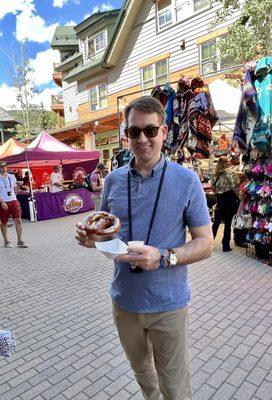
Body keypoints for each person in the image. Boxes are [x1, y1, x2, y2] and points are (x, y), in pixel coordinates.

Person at [75, 96, 213, 400]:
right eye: (134, 132)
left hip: (169, 304)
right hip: (125, 302)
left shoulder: (186, 180)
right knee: (144, 377)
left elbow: (206, 244)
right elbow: (107, 234)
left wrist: (164, 257)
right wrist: (92, 240)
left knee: (175, 387)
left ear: (163, 132)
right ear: (127, 135)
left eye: (150, 131)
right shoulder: (113, 180)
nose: (142, 139)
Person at [211, 156, 240, 252]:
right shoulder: (229, 174)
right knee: (227, 223)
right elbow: (235, 186)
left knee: (216, 223)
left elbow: (213, 187)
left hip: (220, 200)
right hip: (229, 200)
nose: (229, 162)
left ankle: (208, 244)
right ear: (224, 163)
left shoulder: (215, 175)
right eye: (227, 161)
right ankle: (225, 245)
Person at [0, 161, 28, 248]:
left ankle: (20, 241)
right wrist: (2, 202)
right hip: (3, 202)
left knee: (18, 220)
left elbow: (15, 189)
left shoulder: (12, 176)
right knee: (4, 223)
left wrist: (19, 185)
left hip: (14, 200)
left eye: (5, 165)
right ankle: (6, 241)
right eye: (1, 166)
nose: (4, 167)